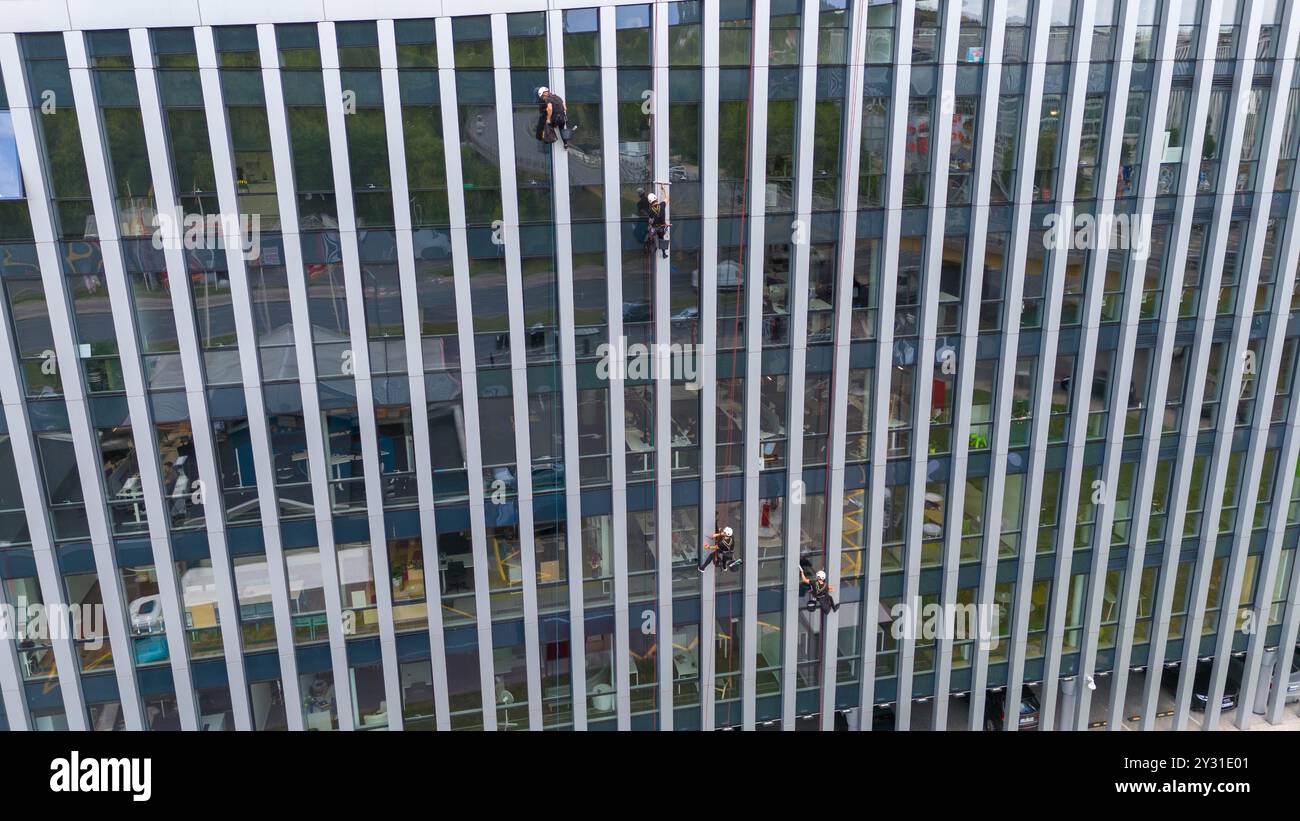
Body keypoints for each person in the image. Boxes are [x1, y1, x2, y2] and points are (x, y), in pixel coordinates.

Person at [637, 190, 669, 258]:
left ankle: (646, 248)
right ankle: (664, 253)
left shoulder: (650, 210)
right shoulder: (662, 205)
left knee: (647, 235)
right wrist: (664, 190)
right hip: (662, 228)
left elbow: (650, 220)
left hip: (654, 229)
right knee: (662, 238)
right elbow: (667, 198)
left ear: (650, 202)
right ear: (656, 198)